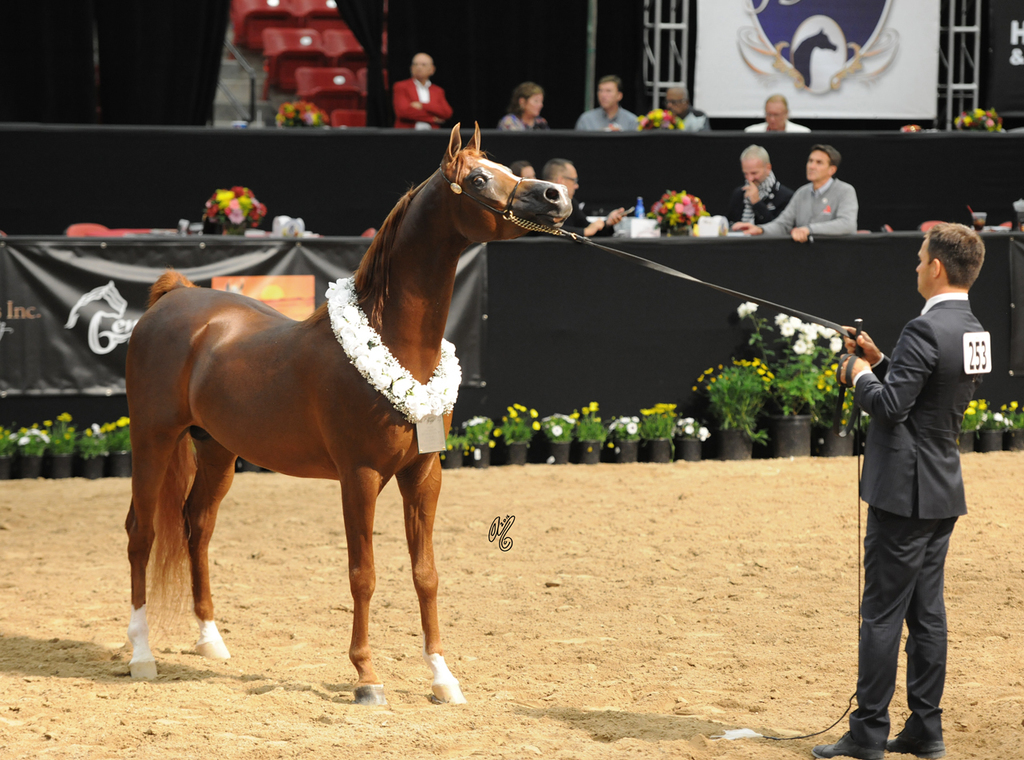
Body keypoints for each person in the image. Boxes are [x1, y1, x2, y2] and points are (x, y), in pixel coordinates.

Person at [813, 223, 987, 760]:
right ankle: (925, 728)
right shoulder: (975, 328)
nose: (915, 267)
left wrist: (857, 374)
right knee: (928, 613)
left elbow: (890, 407)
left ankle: (868, 734)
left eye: (919, 260)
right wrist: (881, 361)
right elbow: (925, 395)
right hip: (942, 486)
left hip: (904, 493)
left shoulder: (924, 327)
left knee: (883, 614)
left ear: (936, 267)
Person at [733, 144, 857, 242]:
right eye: (810, 161)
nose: (811, 166)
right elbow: (783, 224)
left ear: (832, 169)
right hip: (805, 258)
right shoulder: (802, 193)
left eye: (819, 163)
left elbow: (847, 224)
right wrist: (760, 229)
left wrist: (809, 229)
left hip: (837, 257)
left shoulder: (845, 191)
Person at [541, 159, 625, 237]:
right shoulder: (539, 201)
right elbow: (544, 229)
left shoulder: (571, 203)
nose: (576, 186)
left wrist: (607, 223)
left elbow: (588, 228)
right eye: (574, 180)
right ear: (561, 180)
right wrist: (584, 232)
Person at [726, 145, 794, 227]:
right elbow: (729, 225)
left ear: (768, 168)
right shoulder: (739, 194)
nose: (750, 179)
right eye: (745, 174)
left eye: (754, 173)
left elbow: (779, 230)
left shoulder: (785, 196)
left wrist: (757, 203)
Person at [392, 53, 453, 130]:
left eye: (423, 65)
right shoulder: (401, 86)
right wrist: (432, 119)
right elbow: (403, 112)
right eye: (415, 64)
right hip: (408, 134)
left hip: (432, 135)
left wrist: (422, 105)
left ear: (432, 69)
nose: (419, 67)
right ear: (411, 68)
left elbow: (446, 112)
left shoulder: (437, 91)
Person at [574, 76, 638, 132]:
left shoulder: (631, 121)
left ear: (619, 96)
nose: (603, 95)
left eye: (608, 91)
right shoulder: (586, 120)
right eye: (600, 91)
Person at [744, 94, 810, 133]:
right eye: (769, 114)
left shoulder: (802, 133)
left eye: (776, 115)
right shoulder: (751, 132)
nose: (772, 119)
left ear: (786, 114)